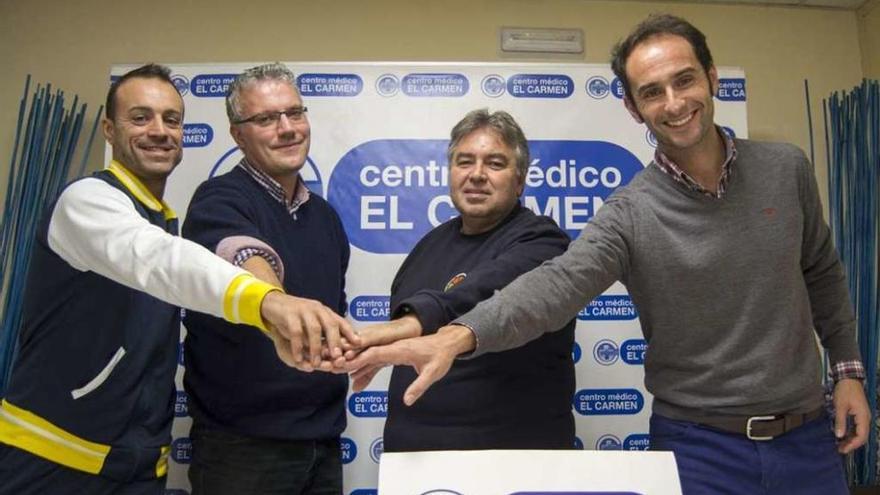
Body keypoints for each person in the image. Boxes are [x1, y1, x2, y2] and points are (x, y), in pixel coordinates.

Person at [341, 15, 870, 494]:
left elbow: (820, 270)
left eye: (684, 80)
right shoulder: (629, 211)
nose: (674, 103)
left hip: (808, 437)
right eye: (652, 91)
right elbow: (555, 286)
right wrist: (456, 338)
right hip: (700, 447)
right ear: (632, 106)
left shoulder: (786, 168)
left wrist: (847, 371)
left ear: (712, 77)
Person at [0, 64, 356, 495]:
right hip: (57, 458)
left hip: (139, 461)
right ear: (109, 130)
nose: (159, 131)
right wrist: (270, 302)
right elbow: (175, 259)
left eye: (171, 119)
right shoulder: (87, 201)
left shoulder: (163, 219)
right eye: (140, 117)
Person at [347, 109, 575, 452]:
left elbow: (480, 293)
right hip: (413, 464)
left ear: (520, 180)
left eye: (495, 164)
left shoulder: (545, 243)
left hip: (508, 465)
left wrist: (400, 327)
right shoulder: (429, 245)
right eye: (464, 162)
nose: (477, 175)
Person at [181, 63, 349, 495]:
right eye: (266, 119)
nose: (287, 128)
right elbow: (242, 252)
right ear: (238, 134)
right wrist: (274, 300)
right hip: (243, 451)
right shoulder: (219, 199)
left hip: (323, 443)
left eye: (295, 112)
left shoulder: (326, 218)